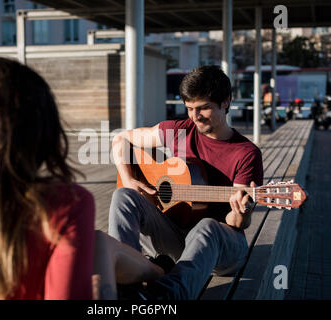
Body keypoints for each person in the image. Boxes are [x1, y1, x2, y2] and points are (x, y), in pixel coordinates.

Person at [0, 57, 163, 300]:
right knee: (103, 247)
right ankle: (161, 275)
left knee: (103, 246)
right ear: (43, 133)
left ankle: (158, 271)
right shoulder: (67, 205)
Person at [109, 65, 264, 300]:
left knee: (208, 226)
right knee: (123, 196)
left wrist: (242, 211)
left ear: (226, 102)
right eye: (189, 108)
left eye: (203, 108)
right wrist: (129, 179)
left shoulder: (246, 153)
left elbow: (237, 224)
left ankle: (163, 298)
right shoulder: (178, 131)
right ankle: (122, 280)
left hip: (222, 248)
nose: (195, 116)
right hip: (176, 236)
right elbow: (120, 139)